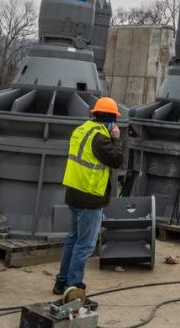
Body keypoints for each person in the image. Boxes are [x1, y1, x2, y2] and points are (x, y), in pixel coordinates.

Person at [54, 97, 123, 297]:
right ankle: (74, 289)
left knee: (72, 239)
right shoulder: (100, 138)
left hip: (74, 193)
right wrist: (116, 139)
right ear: (110, 120)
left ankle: (62, 281)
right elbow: (116, 160)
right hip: (89, 196)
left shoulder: (81, 129)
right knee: (84, 245)